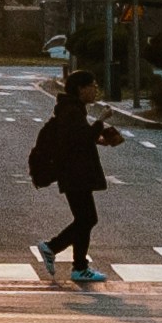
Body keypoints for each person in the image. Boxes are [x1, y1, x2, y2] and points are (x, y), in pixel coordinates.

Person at [28, 73, 111, 285]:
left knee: (85, 219)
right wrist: (100, 120)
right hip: (75, 174)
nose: (95, 90)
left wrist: (99, 139)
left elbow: (78, 137)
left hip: (76, 173)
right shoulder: (72, 111)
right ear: (80, 89)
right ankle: (55, 250)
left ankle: (79, 266)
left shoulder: (72, 110)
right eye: (92, 86)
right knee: (87, 218)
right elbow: (79, 141)